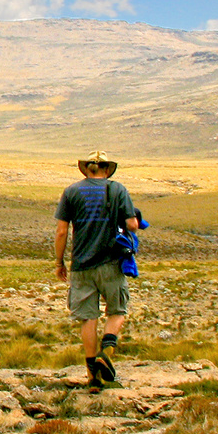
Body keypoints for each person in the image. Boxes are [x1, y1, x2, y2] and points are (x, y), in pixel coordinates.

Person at [54, 150, 140, 389]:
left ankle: (92, 378)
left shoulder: (71, 192)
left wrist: (59, 263)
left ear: (87, 169)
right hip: (111, 264)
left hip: (81, 265)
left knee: (87, 318)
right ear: (107, 169)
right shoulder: (118, 190)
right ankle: (108, 350)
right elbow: (132, 224)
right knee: (117, 310)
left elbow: (61, 231)